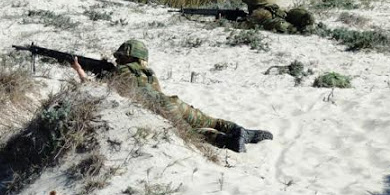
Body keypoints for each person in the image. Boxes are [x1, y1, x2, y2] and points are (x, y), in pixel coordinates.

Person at [71, 39, 273, 153]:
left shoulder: (119, 73)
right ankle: (242, 131)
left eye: (120, 57)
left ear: (125, 57)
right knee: (210, 120)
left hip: (161, 108)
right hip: (173, 102)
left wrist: (80, 71)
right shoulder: (148, 73)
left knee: (192, 135)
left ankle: (228, 142)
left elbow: (92, 88)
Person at [242, 0, 314, 34]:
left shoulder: (258, 13)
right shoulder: (271, 7)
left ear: (251, 4)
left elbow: (243, 26)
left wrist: (238, 19)